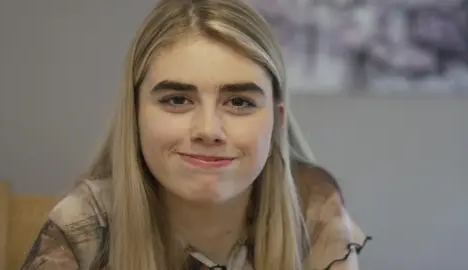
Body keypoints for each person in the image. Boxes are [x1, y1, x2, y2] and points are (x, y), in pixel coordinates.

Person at [20, 0, 370, 269]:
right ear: (136, 115)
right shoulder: (84, 224)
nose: (208, 130)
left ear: (277, 122)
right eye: (177, 99)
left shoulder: (314, 208)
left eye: (238, 102)